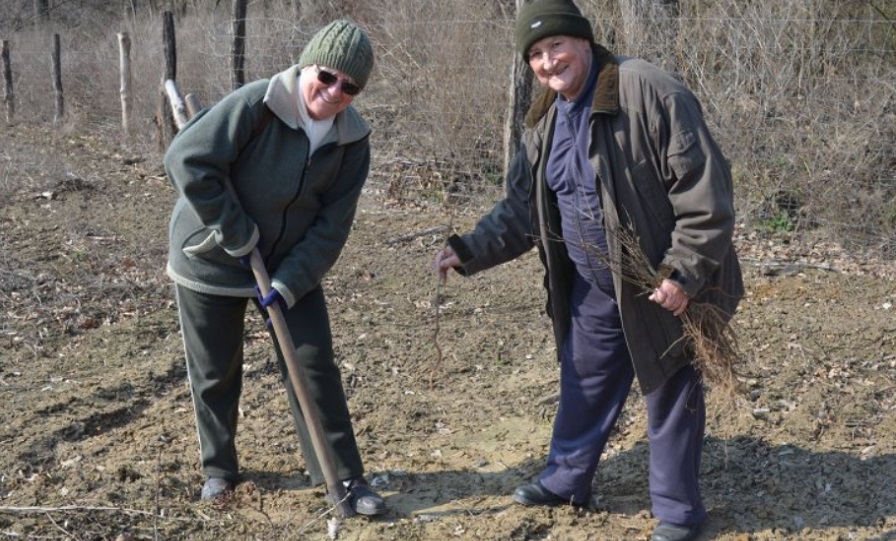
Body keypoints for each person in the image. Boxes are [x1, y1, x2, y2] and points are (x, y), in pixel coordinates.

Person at [434, 1, 743, 540]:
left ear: (583, 42)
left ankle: (678, 515)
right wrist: (470, 249)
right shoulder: (543, 123)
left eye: (555, 45)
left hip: (661, 281)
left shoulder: (648, 90)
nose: (547, 61)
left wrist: (683, 272)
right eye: (535, 53)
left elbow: (705, 196)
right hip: (594, 284)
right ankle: (565, 480)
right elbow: (520, 212)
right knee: (583, 378)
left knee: (669, 393)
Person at [164, 19, 386, 516]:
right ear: (307, 64)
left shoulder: (353, 142)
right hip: (210, 256)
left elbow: (332, 227)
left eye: (349, 87)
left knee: (312, 365)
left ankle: (345, 479)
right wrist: (233, 230)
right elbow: (186, 160)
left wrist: (290, 281)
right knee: (215, 369)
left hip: (285, 263)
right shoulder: (255, 105)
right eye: (326, 76)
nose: (334, 92)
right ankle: (219, 469)